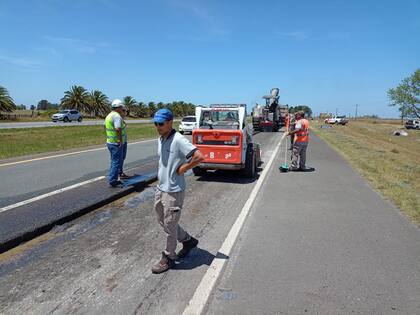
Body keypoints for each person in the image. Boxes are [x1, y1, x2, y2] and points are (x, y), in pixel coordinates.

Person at [151, 108, 204, 274]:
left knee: (169, 225)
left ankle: (169, 257)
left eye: (160, 123)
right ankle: (188, 240)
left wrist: (185, 168)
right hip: (161, 187)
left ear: (170, 122)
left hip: (174, 190)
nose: (157, 126)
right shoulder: (161, 139)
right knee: (162, 220)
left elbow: (199, 156)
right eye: (155, 123)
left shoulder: (179, 140)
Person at [104, 99, 127, 187]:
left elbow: (105, 126)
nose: (122, 109)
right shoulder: (116, 116)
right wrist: (119, 140)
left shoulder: (109, 115)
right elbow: (118, 129)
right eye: (122, 108)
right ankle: (113, 180)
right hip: (116, 143)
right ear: (118, 108)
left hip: (110, 142)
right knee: (116, 162)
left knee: (115, 161)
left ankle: (118, 175)